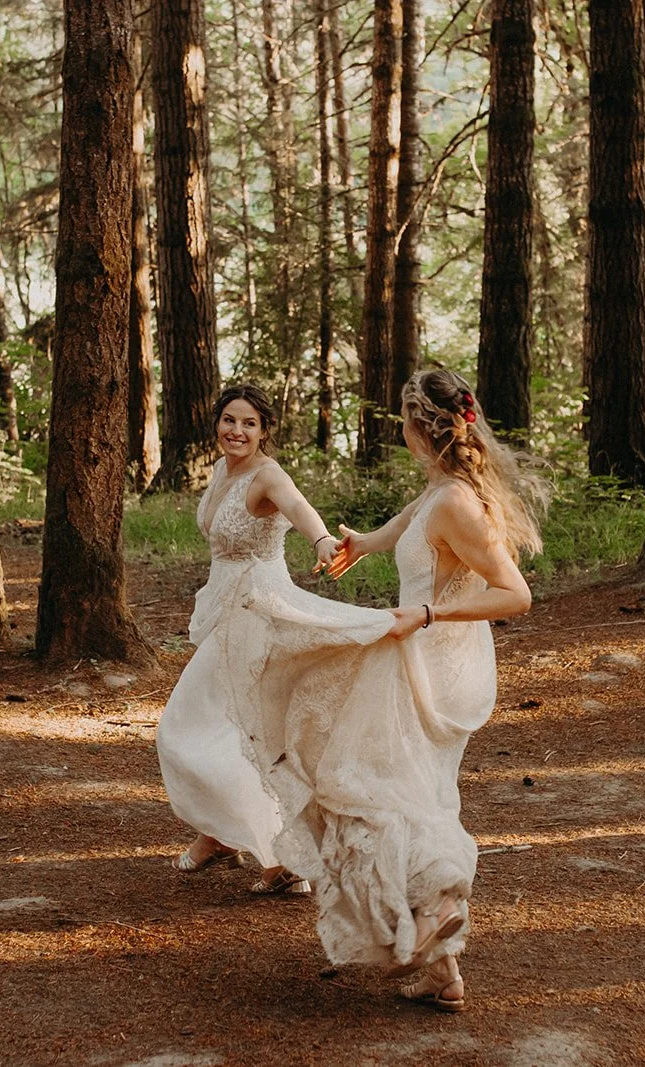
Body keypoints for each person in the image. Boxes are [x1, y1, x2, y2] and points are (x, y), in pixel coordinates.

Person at [233, 368, 545, 1013]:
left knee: (388, 789)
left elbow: (515, 594)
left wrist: (426, 616)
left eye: (403, 421)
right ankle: (442, 963)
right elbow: (394, 534)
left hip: (433, 663)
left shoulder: (458, 502)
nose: (400, 431)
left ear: (418, 427)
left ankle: (441, 907)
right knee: (407, 790)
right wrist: (357, 546)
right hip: (412, 652)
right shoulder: (436, 491)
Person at [155, 384, 340, 895]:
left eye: (249, 423)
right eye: (229, 420)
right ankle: (224, 836)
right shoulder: (221, 470)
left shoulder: (267, 474)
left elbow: (299, 508)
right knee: (233, 726)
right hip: (225, 608)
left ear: (264, 431)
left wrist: (322, 540)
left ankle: (278, 857)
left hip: (258, 610)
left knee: (200, 726)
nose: (236, 431)